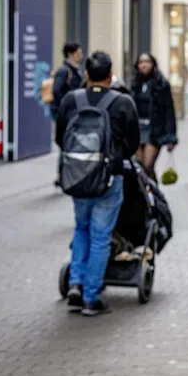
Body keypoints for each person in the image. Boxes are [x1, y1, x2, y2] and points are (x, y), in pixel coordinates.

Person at [55, 51, 140, 316]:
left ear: (86, 74)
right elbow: (133, 143)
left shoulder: (72, 100)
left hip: (78, 176)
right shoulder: (123, 102)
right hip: (109, 177)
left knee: (81, 228)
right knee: (101, 235)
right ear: (110, 75)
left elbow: (60, 136)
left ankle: (75, 284)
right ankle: (91, 297)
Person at [130, 53, 177, 181]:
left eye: (147, 62)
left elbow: (169, 110)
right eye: (141, 62)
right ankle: (149, 191)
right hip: (137, 129)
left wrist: (171, 137)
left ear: (153, 64)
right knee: (139, 167)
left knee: (148, 165)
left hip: (154, 130)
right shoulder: (134, 84)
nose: (144, 65)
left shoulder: (161, 84)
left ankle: (152, 191)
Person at [51, 42, 85, 187]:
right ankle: (62, 175)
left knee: (70, 142)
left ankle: (66, 174)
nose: (80, 55)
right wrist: (67, 106)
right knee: (66, 143)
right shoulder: (65, 70)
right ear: (71, 54)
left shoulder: (76, 69)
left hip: (73, 112)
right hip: (66, 113)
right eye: (78, 52)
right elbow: (57, 91)